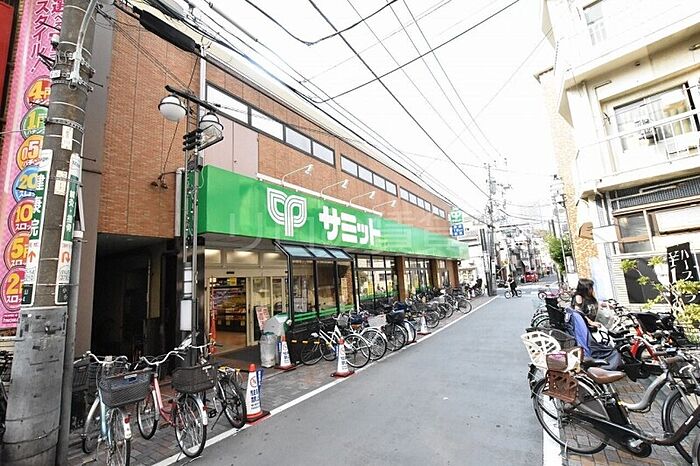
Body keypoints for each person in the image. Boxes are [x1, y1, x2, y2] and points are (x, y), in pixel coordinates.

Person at [566, 279, 622, 370]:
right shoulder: (579, 298)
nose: (592, 289)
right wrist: (590, 322)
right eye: (590, 287)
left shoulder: (589, 297)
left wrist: (607, 304)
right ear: (585, 288)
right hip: (587, 328)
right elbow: (578, 312)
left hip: (593, 327)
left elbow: (596, 303)